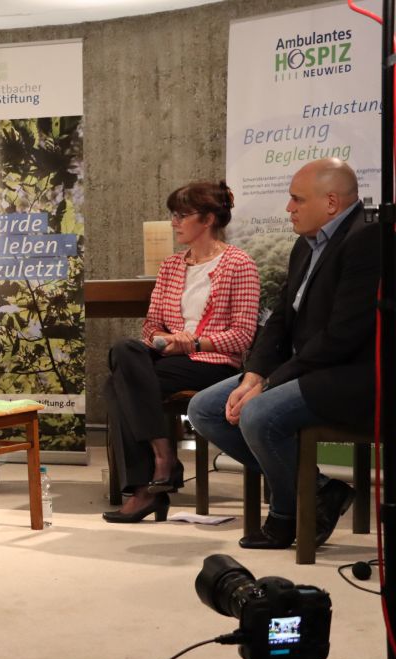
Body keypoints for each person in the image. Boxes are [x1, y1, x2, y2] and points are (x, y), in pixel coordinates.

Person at [188, 158, 379, 549]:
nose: (289, 209)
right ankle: (319, 490)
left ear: (330, 202)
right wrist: (255, 375)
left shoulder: (368, 241)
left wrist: (272, 384)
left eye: (296, 200)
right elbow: (278, 320)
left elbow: (343, 336)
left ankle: (286, 515)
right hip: (311, 367)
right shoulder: (303, 246)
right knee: (205, 409)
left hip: (354, 375)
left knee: (258, 413)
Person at [102, 181, 260, 523]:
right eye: (173, 214)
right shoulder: (171, 266)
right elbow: (151, 327)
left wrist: (193, 343)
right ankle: (163, 455)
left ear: (207, 220)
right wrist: (165, 341)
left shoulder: (239, 264)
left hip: (213, 364)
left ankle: (146, 489)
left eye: (182, 215)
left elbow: (243, 336)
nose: (174, 221)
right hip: (169, 358)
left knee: (117, 384)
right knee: (124, 350)